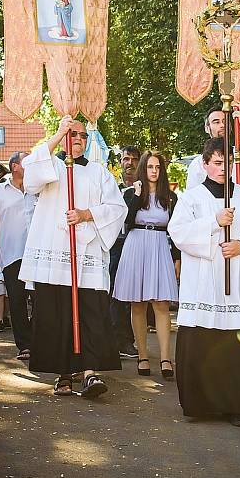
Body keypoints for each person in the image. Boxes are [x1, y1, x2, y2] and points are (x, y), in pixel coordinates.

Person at [168, 137, 240, 427]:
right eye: (216, 162)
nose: (222, 168)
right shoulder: (191, 198)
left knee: (238, 343)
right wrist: (214, 222)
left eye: (227, 162)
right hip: (205, 280)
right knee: (205, 341)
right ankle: (203, 403)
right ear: (205, 164)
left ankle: (237, 405)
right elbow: (178, 233)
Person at [19, 117, 127, 398]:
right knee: (58, 314)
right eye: (72, 134)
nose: (77, 138)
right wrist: (57, 134)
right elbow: (30, 177)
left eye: (81, 135)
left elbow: (117, 208)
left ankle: (90, 372)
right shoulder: (52, 165)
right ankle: (64, 374)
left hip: (87, 253)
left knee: (90, 313)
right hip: (56, 254)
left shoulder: (99, 173)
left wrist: (85, 215)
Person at [113, 151, 179, 378]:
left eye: (157, 167)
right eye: (150, 166)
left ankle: (165, 358)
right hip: (136, 245)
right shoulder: (131, 194)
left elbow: (177, 228)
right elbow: (126, 223)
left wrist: (177, 257)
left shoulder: (170, 197)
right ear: (144, 169)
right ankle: (142, 355)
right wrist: (136, 196)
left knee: (161, 304)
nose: (153, 171)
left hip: (160, 245)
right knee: (137, 304)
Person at [0, 151, 35, 359]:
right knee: (17, 300)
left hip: (36, 255)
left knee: (41, 300)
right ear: (14, 166)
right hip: (12, 255)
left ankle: (38, 339)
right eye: (26, 160)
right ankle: (25, 345)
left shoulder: (37, 189)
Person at [109, 146, 141, 359]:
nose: (129, 163)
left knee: (135, 296)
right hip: (115, 246)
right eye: (125, 159)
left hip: (137, 244)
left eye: (133, 159)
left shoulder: (145, 189)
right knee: (114, 294)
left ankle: (128, 339)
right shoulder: (111, 187)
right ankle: (118, 340)